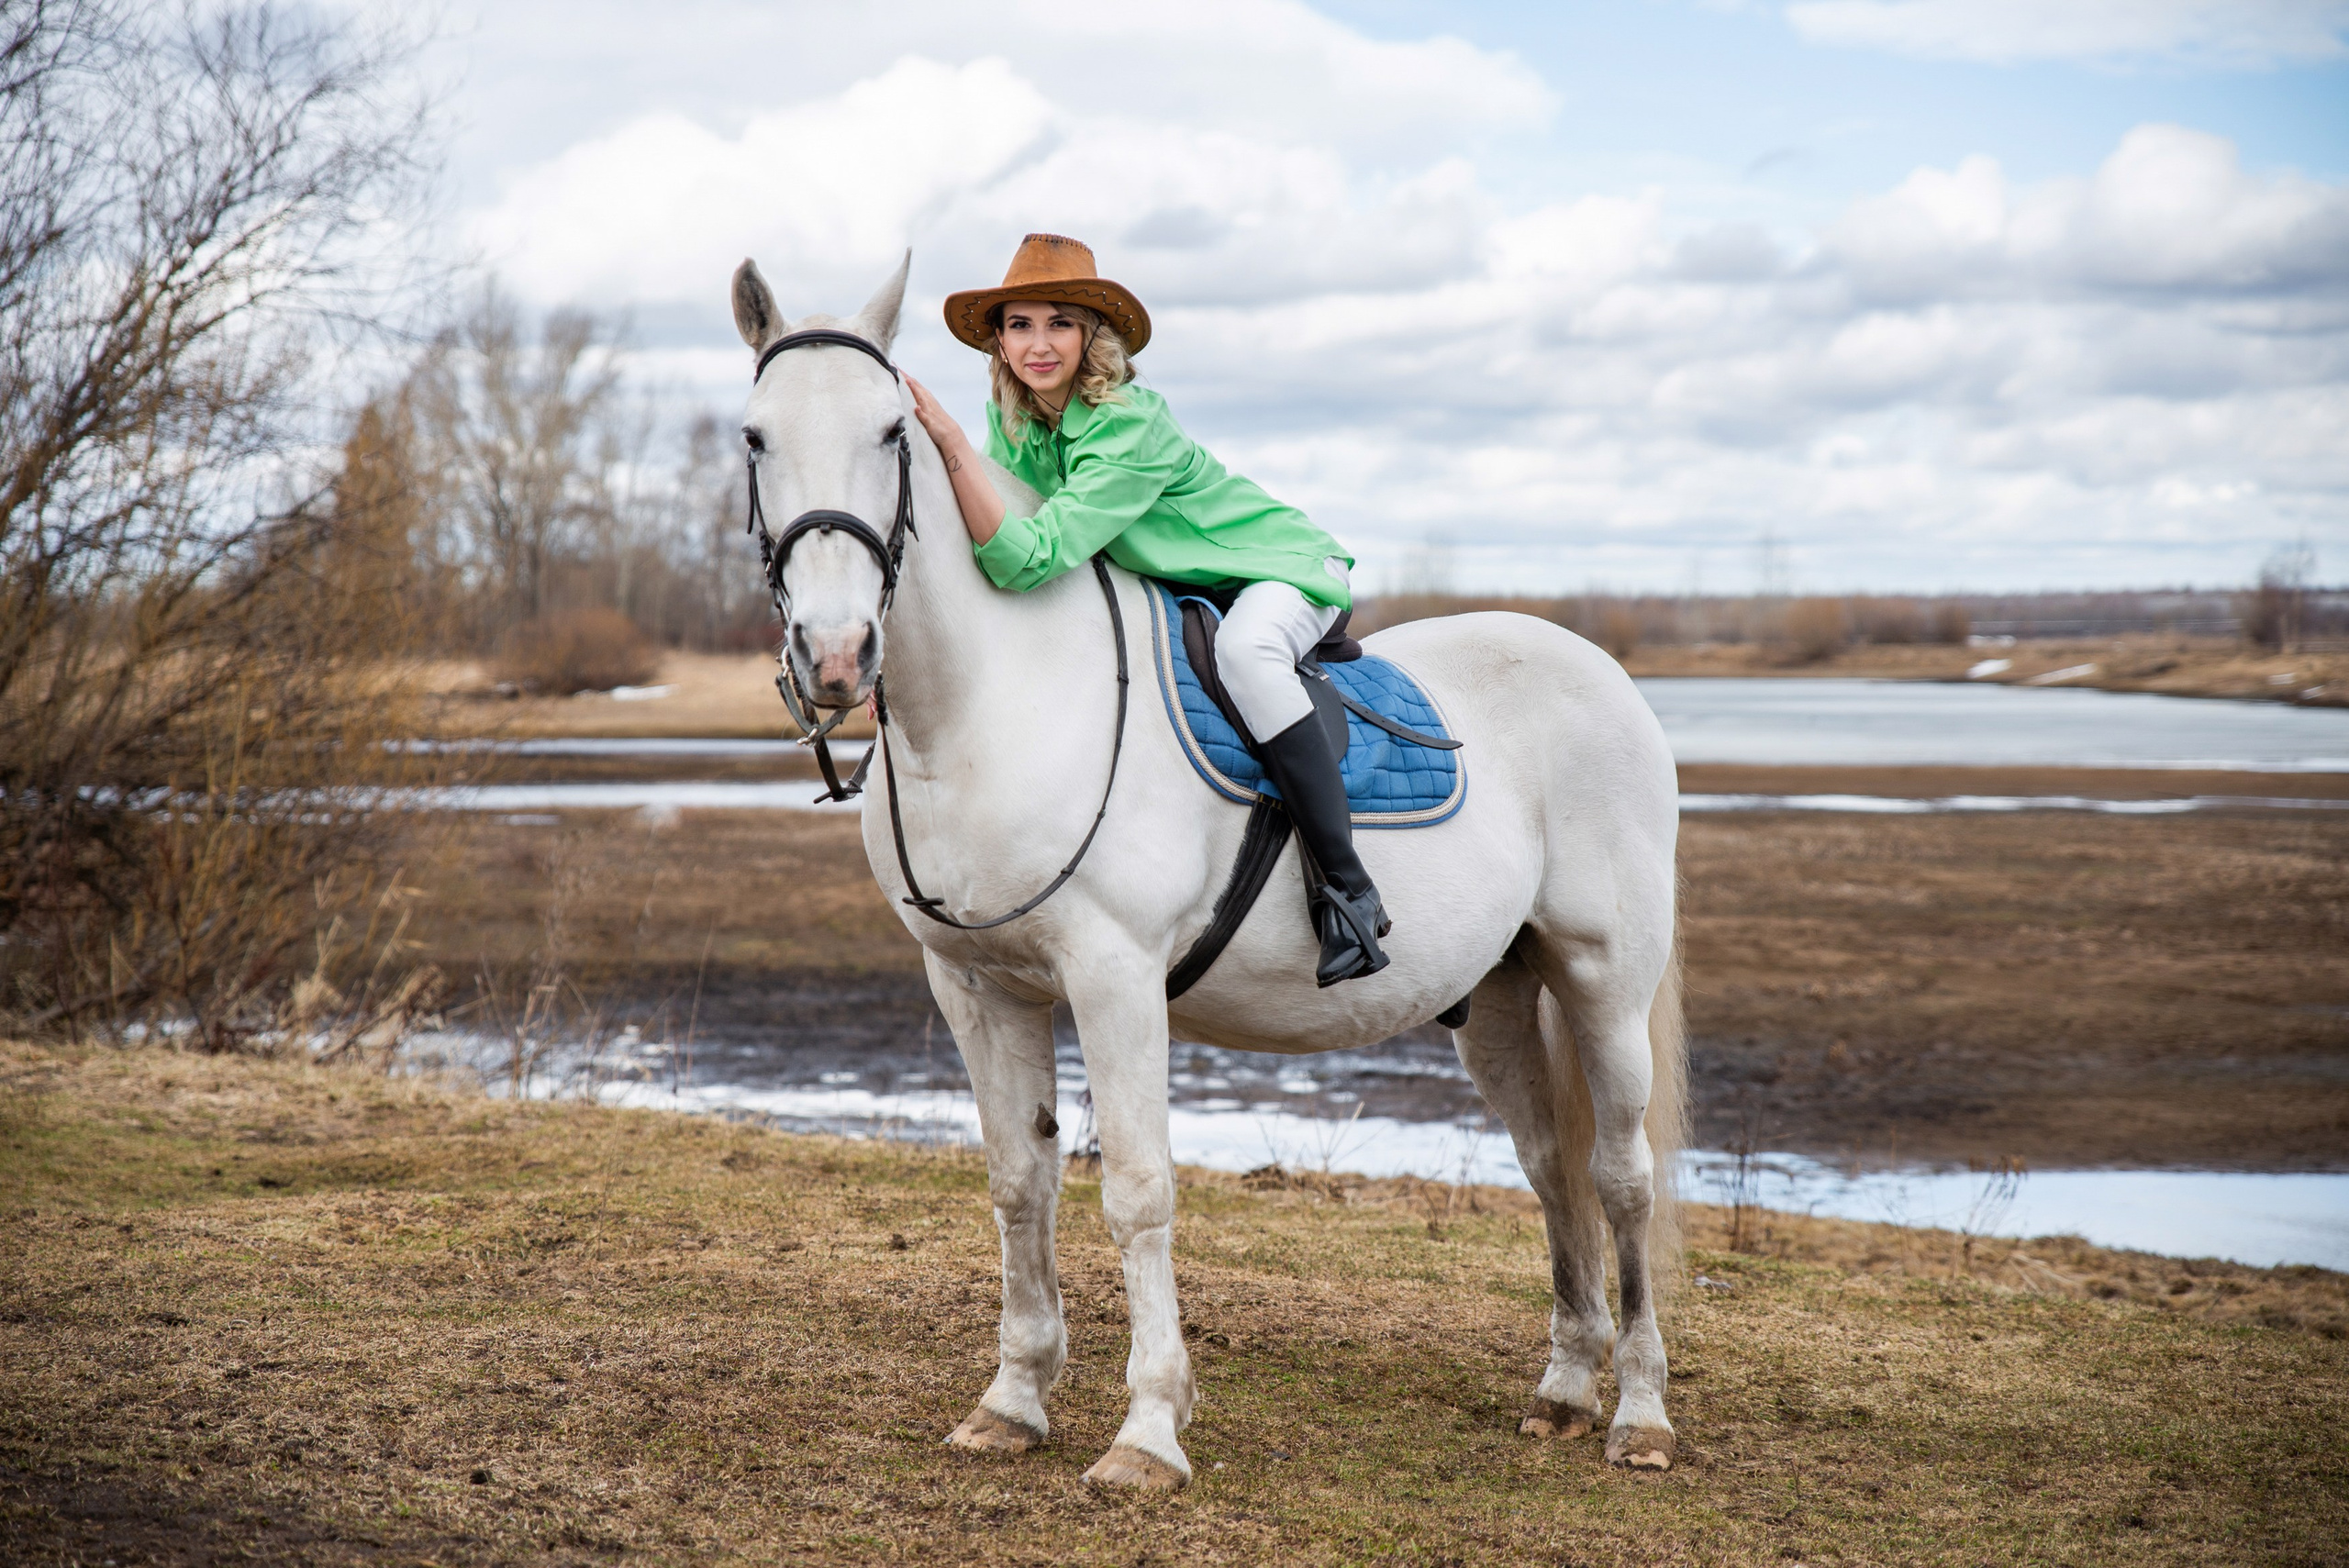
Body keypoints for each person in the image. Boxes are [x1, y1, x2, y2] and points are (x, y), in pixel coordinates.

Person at [906, 233, 1388, 987]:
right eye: (1019, 325)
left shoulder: (1130, 422)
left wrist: (950, 445)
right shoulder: (1017, 420)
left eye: (1059, 323)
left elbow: (1028, 556)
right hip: (1188, 588)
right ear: (998, 341)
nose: (1038, 344)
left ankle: (1349, 890)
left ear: (1090, 334)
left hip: (1279, 572)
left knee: (1248, 656)